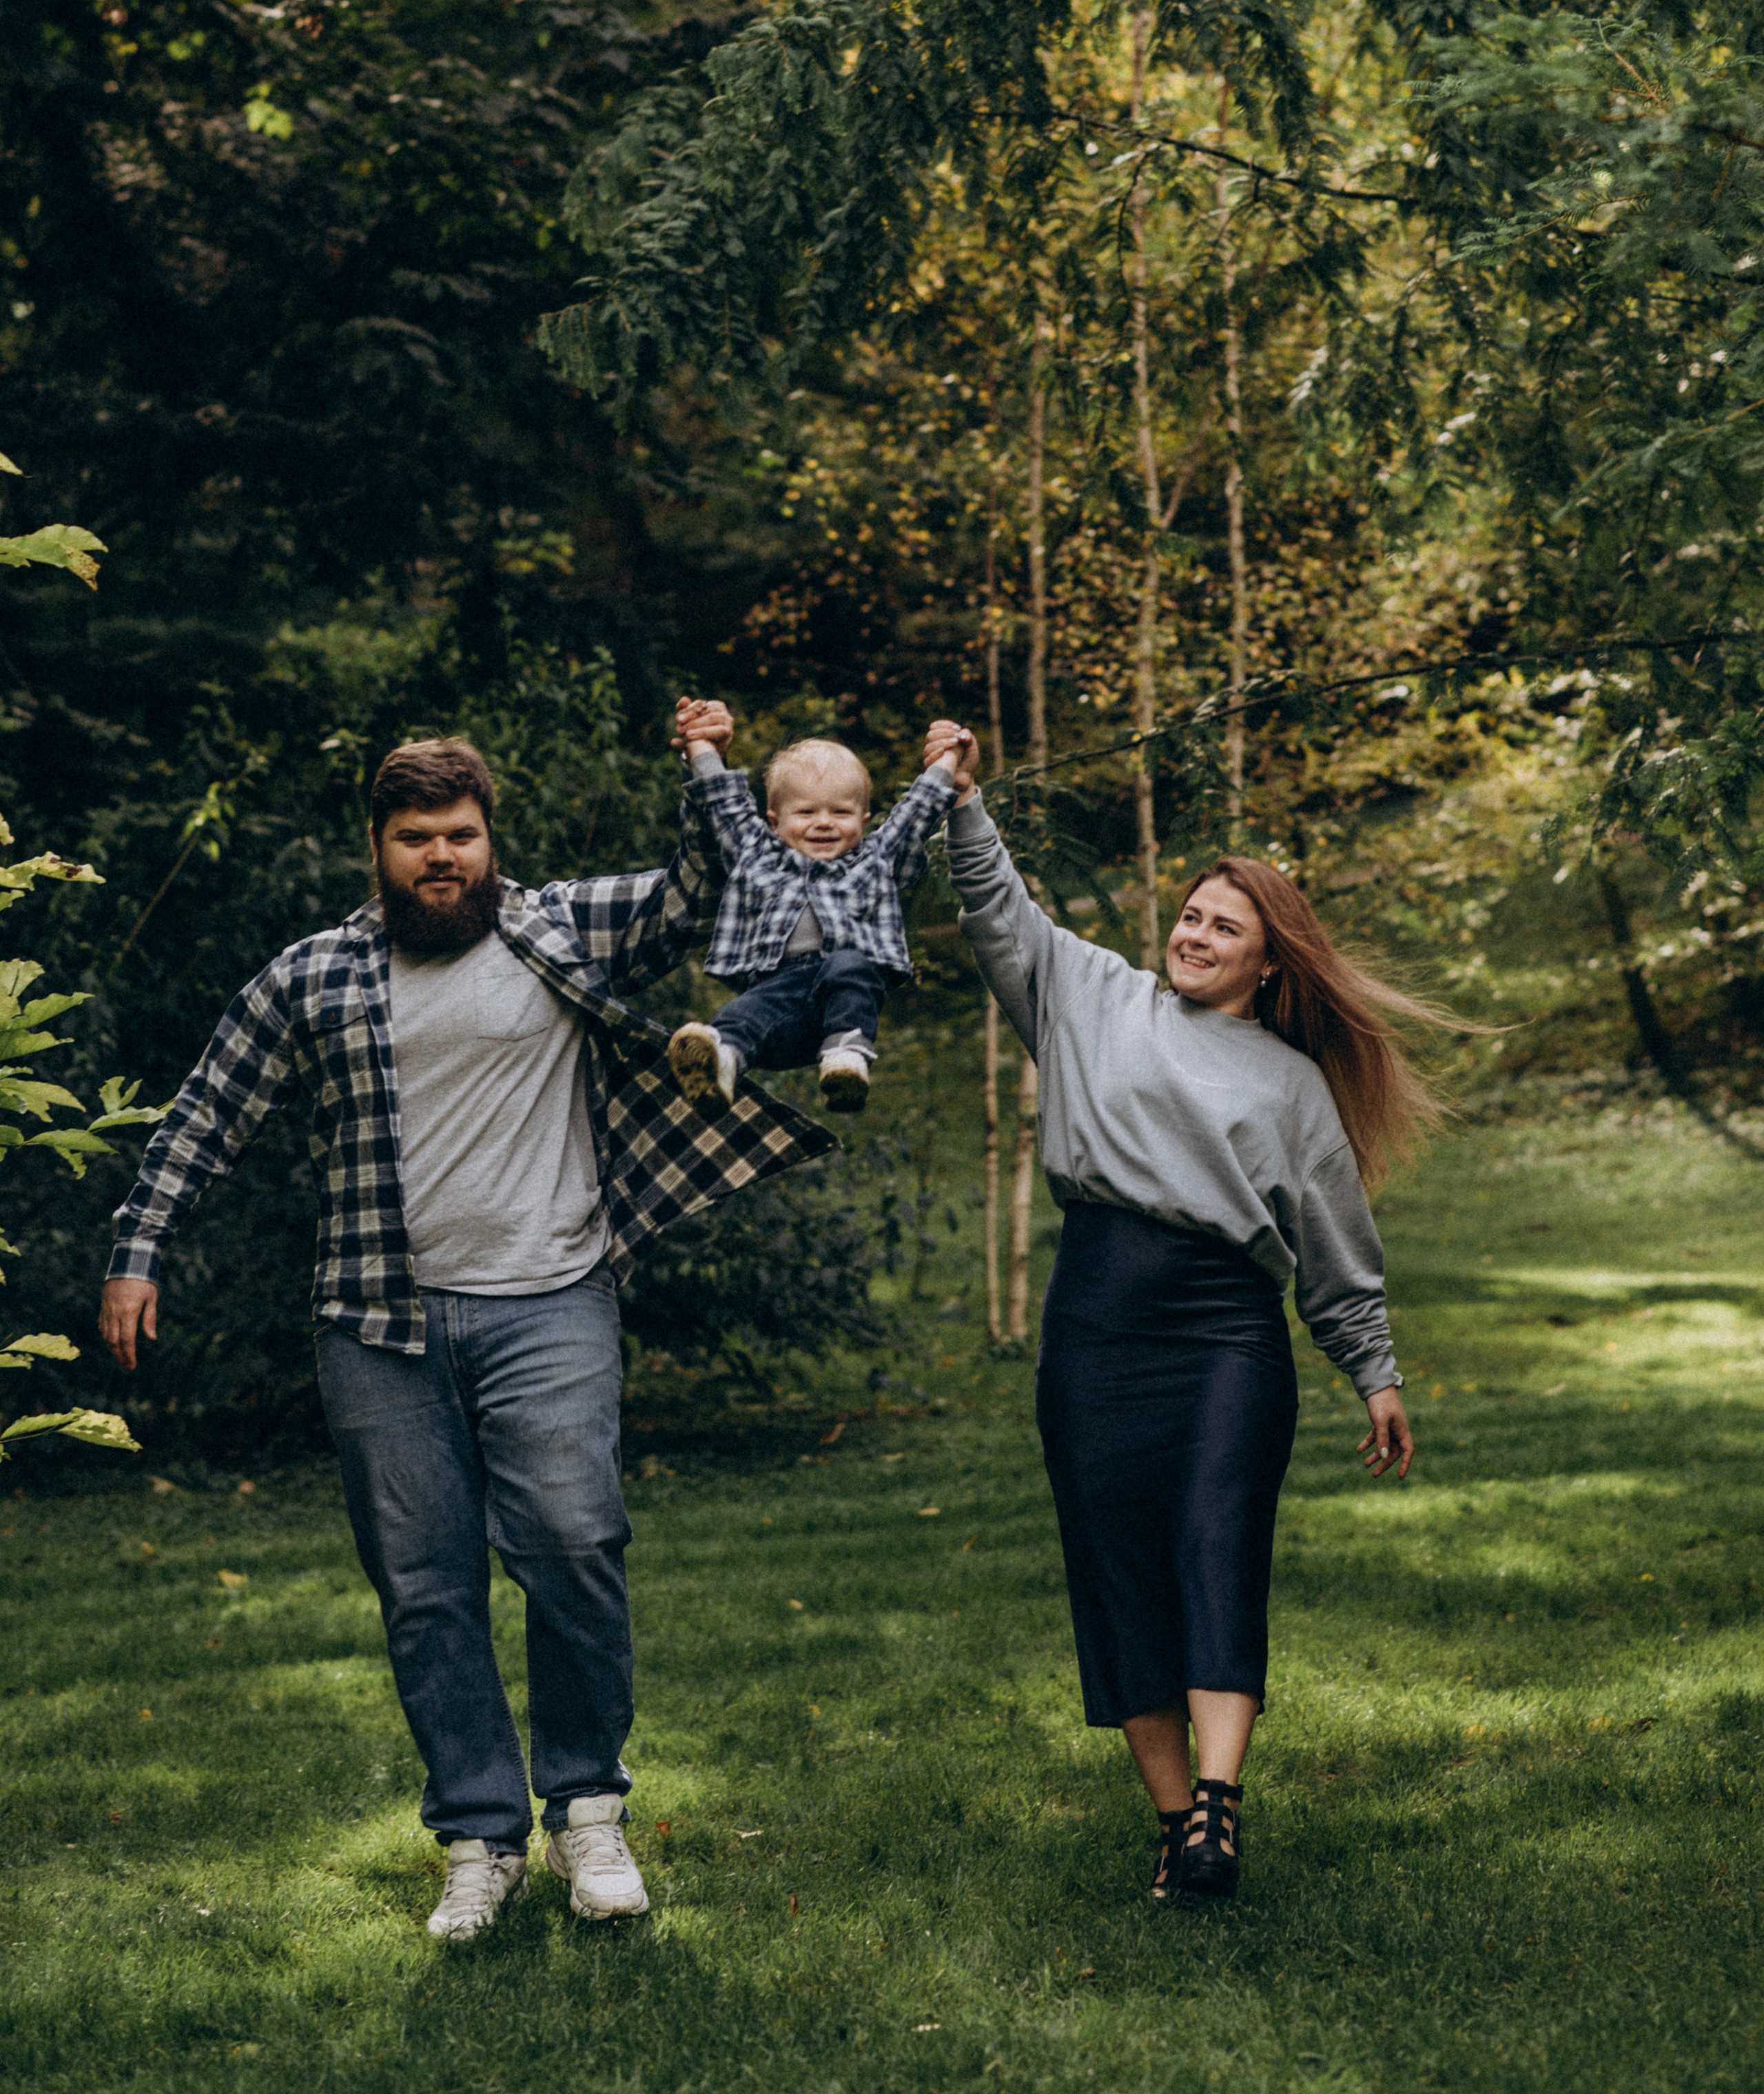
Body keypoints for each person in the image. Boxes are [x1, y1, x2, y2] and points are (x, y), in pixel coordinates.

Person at [98, 711, 830, 1942]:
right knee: (426, 1588)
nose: (441, 856)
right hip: (377, 1320)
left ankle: (587, 1808)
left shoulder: (560, 927)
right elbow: (205, 1112)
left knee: (575, 1539)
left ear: (492, 838)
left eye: (462, 833)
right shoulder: (314, 974)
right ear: (376, 848)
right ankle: (480, 1835)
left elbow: (710, 884)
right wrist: (138, 1247)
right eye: (414, 838)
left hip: (553, 1292)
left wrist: (710, 765)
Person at [925, 719, 1423, 1905]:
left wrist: (1376, 1369)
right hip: (1096, 1319)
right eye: (1191, 916)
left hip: (1225, 1335)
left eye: (1224, 928)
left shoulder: (1294, 1086)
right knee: (1115, 1565)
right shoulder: (1093, 996)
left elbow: (1335, 1250)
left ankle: (1220, 1802)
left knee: (1213, 1540)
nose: (1194, 935)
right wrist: (959, 799)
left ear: (1269, 965)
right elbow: (999, 906)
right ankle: (1175, 1829)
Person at [666, 710, 962, 1115]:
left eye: (840, 813)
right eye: (806, 813)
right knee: (736, 1016)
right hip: (780, 1006)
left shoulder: (875, 860)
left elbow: (917, 814)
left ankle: (847, 1056)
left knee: (850, 964)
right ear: (774, 822)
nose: (824, 824)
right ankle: (724, 1066)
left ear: (864, 820)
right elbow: (722, 804)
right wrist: (698, 744)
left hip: (843, 1008)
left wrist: (949, 754)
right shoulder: (758, 855)